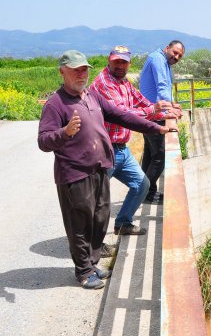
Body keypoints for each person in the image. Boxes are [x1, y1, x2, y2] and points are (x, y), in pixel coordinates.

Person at [38, 50, 171, 289]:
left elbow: (121, 115)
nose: (82, 74)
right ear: (62, 71)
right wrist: (64, 132)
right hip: (74, 173)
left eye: (84, 69)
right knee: (80, 224)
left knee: (99, 219)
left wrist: (155, 127)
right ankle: (83, 272)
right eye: (76, 69)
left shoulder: (91, 96)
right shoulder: (55, 104)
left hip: (99, 168)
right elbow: (44, 141)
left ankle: (93, 263)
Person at [89, 45, 182, 243]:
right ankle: (94, 246)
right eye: (117, 61)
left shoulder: (123, 82)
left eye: (124, 62)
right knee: (98, 201)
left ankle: (123, 223)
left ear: (129, 63)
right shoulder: (105, 83)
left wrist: (164, 111)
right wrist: (154, 111)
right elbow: (123, 114)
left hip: (121, 149)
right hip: (104, 150)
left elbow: (140, 101)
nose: (120, 65)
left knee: (142, 185)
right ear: (109, 60)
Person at [139, 40, 185, 204]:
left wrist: (172, 104)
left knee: (151, 154)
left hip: (149, 113)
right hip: (154, 115)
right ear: (167, 48)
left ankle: (148, 192)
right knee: (161, 155)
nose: (177, 57)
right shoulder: (158, 59)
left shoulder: (161, 60)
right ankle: (142, 192)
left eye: (179, 55)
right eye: (175, 52)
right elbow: (162, 85)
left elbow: (164, 87)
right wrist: (169, 111)